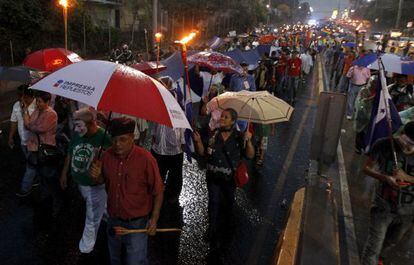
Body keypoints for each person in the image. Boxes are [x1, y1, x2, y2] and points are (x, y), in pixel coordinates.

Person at [89, 117, 164, 265]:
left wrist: (154, 220)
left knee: (135, 261)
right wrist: (96, 176)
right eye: (114, 139)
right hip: (113, 219)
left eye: (122, 139)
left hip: (137, 223)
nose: (117, 144)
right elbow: (102, 181)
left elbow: (158, 191)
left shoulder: (146, 159)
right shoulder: (106, 156)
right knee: (114, 258)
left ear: (132, 138)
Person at [193, 108, 255, 263]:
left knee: (228, 204)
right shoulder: (213, 134)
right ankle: (212, 230)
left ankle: (226, 231)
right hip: (213, 177)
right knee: (213, 203)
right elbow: (202, 153)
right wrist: (199, 141)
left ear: (233, 121)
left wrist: (248, 141)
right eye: (222, 116)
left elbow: (250, 155)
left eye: (226, 117)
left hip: (229, 180)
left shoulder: (240, 137)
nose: (222, 119)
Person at [60, 108, 111, 254]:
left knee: (92, 217)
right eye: (75, 125)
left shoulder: (104, 137)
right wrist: (64, 172)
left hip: (96, 186)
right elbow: (70, 152)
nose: (75, 129)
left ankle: (86, 247)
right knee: (99, 207)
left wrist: (101, 159)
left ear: (91, 124)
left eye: (79, 125)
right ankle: (109, 219)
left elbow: (113, 160)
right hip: (81, 184)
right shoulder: (77, 134)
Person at [361, 122, 414, 265]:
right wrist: (385, 178)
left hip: (409, 212)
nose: (408, 147)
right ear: (402, 135)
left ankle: (381, 257)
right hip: (383, 206)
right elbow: (366, 168)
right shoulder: (384, 145)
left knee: (392, 241)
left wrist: (406, 177)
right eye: (407, 142)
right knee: (373, 246)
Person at [23, 91, 60, 214]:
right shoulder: (38, 111)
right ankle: (44, 198)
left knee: (48, 174)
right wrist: (30, 124)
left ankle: (52, 201)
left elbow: (40, 128)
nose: (37, 104)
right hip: (35, 148)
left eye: (39, 101)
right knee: (39, 172)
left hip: (46, 148)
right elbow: (28, 124)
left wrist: (30, 125)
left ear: (47, 102)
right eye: (37, 101)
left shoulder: (51, 114)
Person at [9, 86, 38, 197]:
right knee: (31, 163)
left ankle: (25, 188)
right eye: (19, 95)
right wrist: (11, 137)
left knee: (31, 166)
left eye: (22, 96)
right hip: (23, 141)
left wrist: (25, 110)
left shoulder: (38, 105)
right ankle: (35, 179)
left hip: (34, 142)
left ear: (28, 96)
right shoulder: (17, 105)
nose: (20, 98)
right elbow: (13, 121)